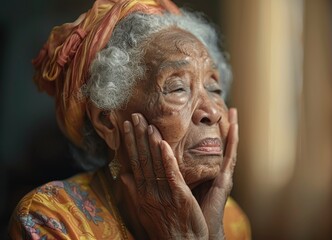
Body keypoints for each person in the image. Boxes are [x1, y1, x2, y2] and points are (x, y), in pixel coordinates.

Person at [8, 0, 251, 239]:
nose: (213, 112)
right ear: (107, 121)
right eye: (177, 88)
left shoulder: (232, 220)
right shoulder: (51, 221)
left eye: (215, 89)